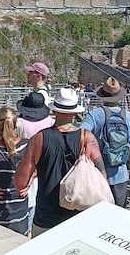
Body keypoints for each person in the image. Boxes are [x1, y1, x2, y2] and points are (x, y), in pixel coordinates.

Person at [15, 87, 105, 237]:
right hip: (79, 216)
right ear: (75, 113)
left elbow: (20, 183)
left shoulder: (39, 139)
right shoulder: (87, 138)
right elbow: (102, 175)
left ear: (53, 111)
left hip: (47, 217)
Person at [79, 77, 130, 208]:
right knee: (118, 214)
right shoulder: (128, 116)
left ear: (102, 95)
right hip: (121, 174)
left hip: (98, 173)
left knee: (98, 213)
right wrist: (123, 156)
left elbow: (81, 135)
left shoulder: (94, 114)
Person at [15, 92, 55, 233]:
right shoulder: (50, 122)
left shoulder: (19, 123)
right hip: (44, 167)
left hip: (25, 165)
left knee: (27, 199)